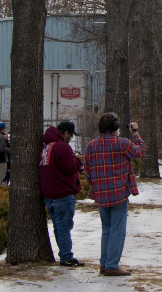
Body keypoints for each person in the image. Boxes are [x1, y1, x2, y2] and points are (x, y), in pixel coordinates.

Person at [84, 113, 146, 276]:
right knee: (117, 230)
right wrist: (136, 134)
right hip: (119, 193)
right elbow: (140, 152)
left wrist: (95, 184)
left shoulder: (91, 146)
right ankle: (112, 265)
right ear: (116, 127)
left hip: (100, 193)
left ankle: (104, 263)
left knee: (106, 229)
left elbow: (87, 171)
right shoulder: (123, 143)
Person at [39, 120, 85, 267]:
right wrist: (79, 160)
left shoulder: (47, 146)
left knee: (58, 226)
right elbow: (69, 167)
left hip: (49, 194)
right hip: (62, 193)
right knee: (64, 226)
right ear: (65, 133)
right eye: (70, 135)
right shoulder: (62, 147)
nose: (71, 138)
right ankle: (66, 256)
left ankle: (64, 254)